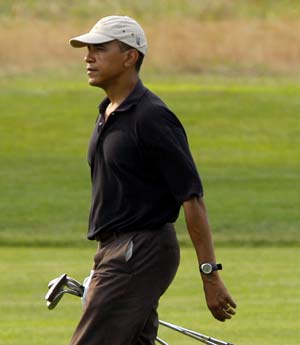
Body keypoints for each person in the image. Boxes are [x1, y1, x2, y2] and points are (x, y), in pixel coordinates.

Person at [69, 15, 236, 345]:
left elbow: (192, 197)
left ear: (130, 56)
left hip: (138, 251)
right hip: (115, 250)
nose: (88, 57)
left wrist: (210, 276)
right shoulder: (108, 111)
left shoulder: (151, 116)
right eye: (88, 49)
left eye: (99, 49)